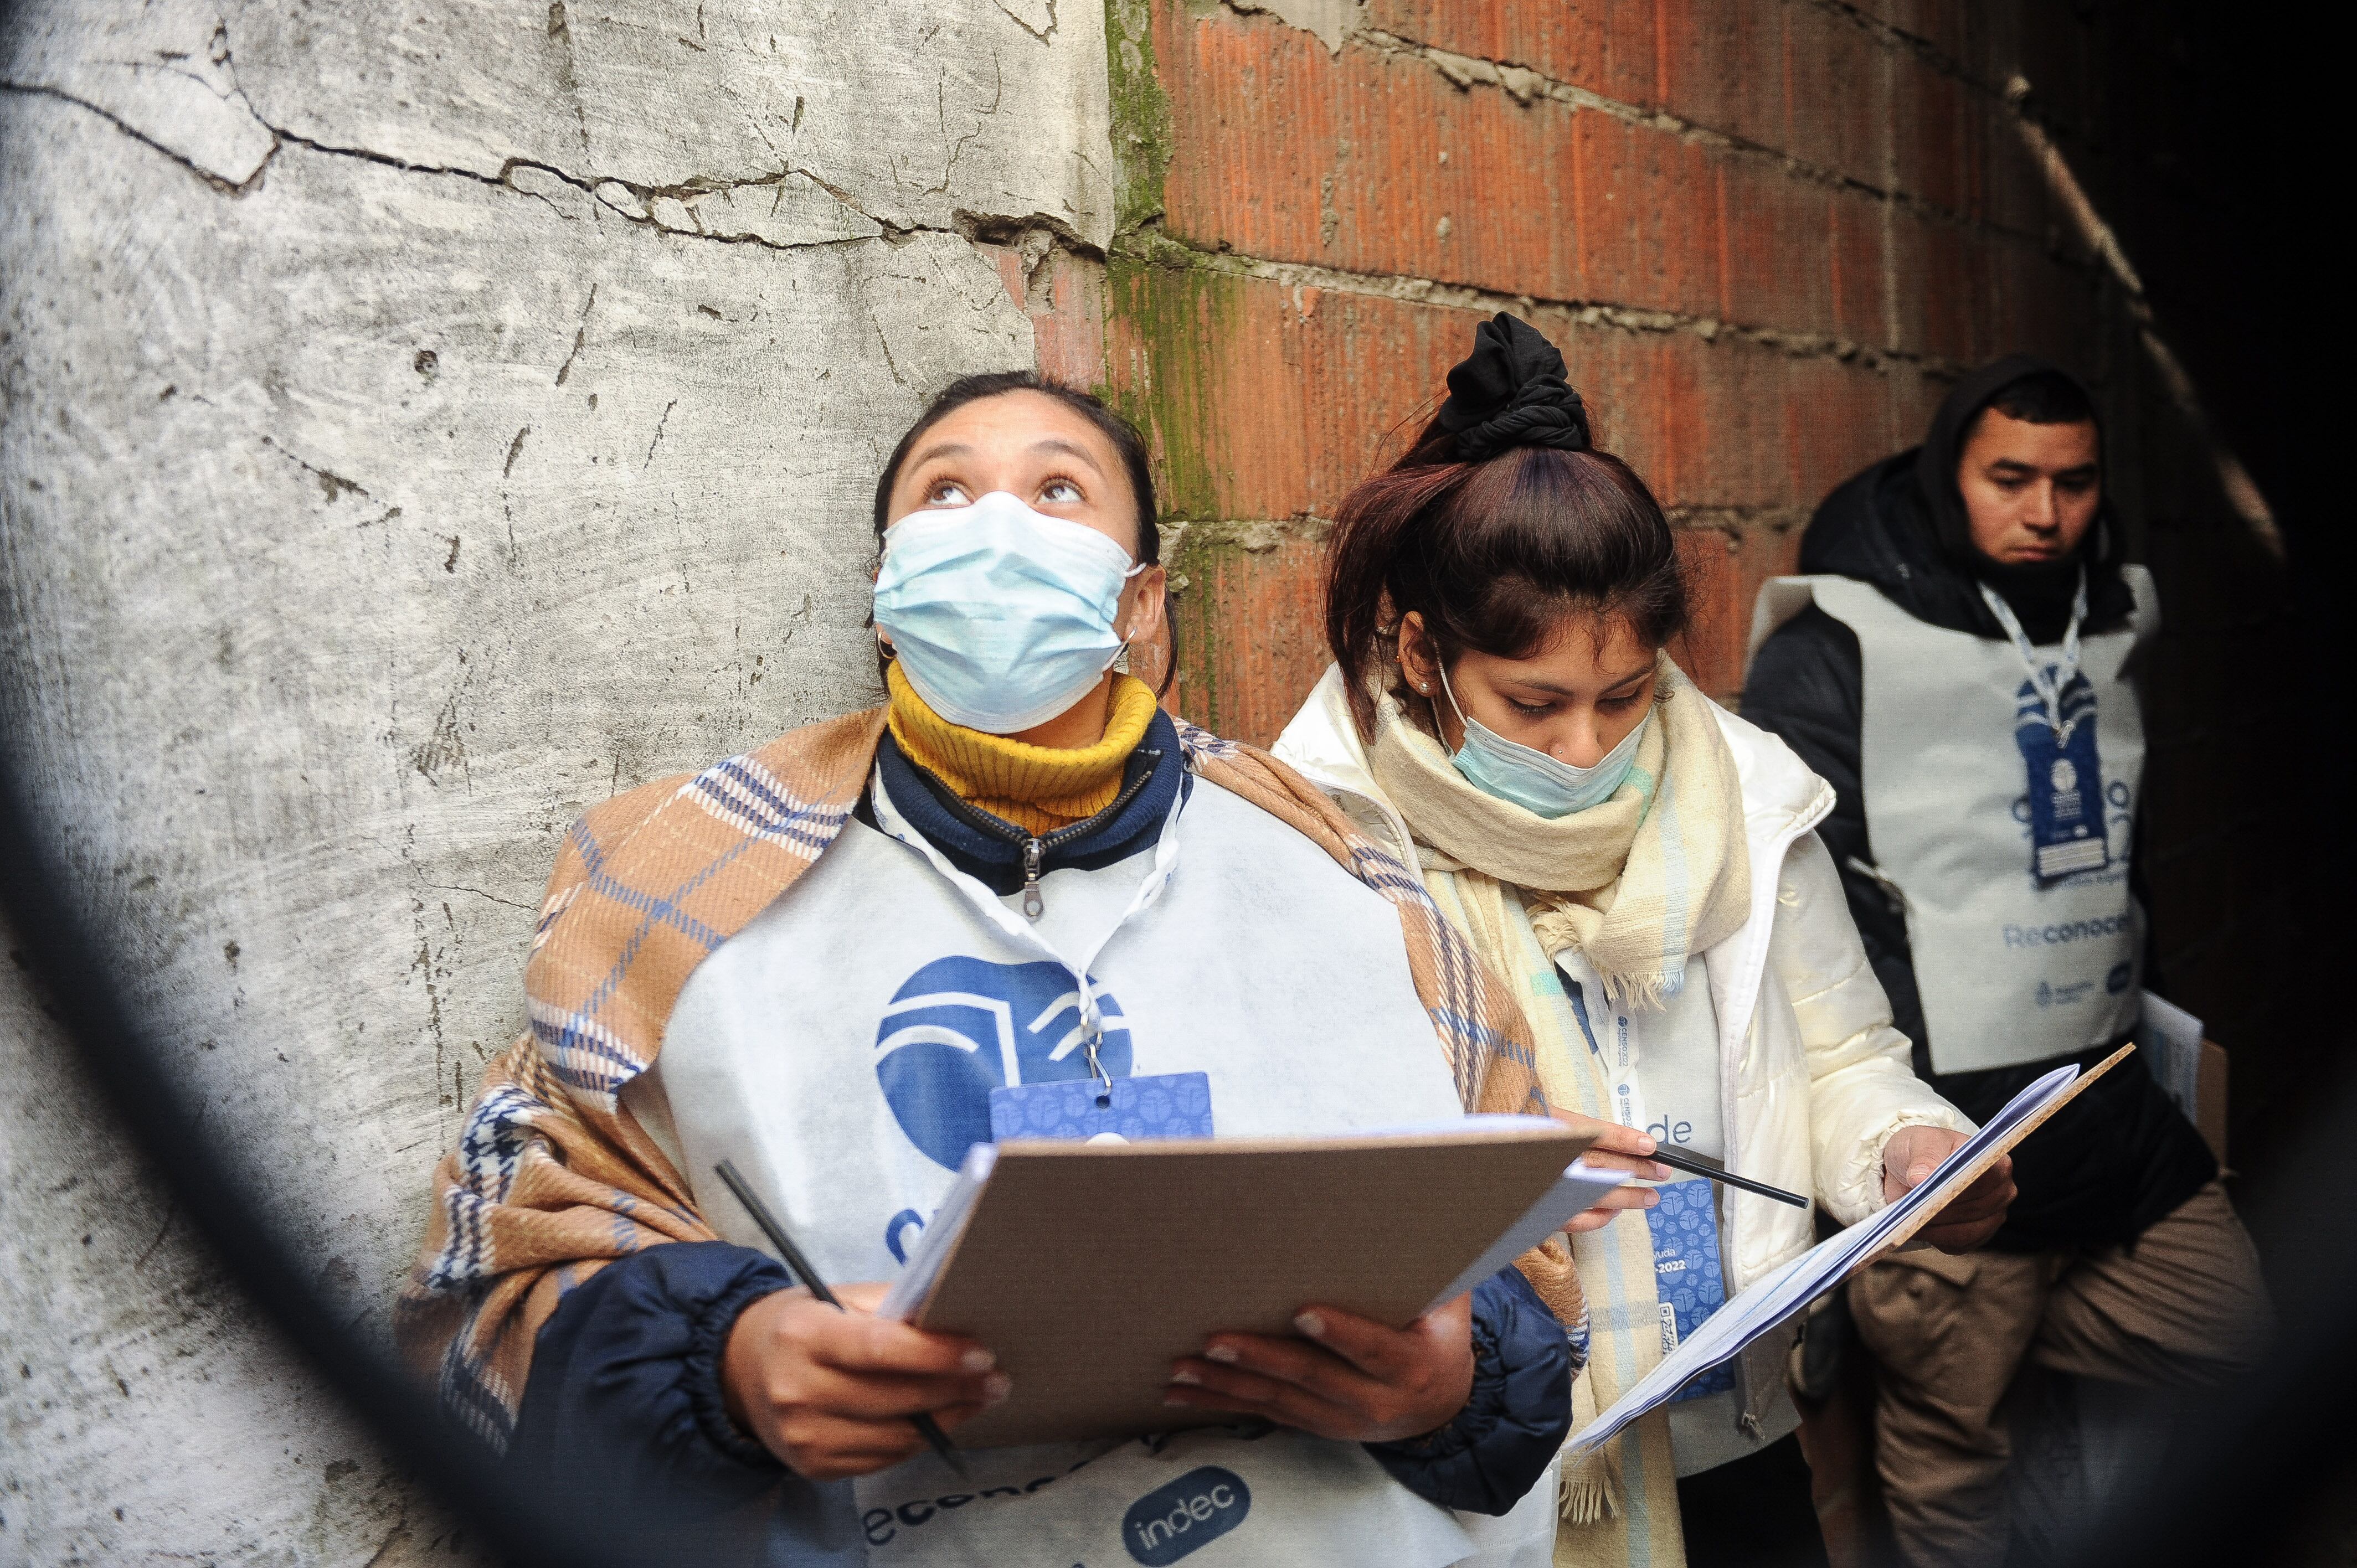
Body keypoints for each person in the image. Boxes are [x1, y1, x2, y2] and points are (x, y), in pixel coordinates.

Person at [395, 370, 1606, 1566]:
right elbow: (501, 1292)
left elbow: (1524, 1274)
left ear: (1140, 602)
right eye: (947, 493)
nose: (997, 526)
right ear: (885, 592)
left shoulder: (1340, 867)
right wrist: (731, 1369)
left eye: (1058, 489)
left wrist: (1448, 1385)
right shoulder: (681, 898)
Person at [1271, 313, 2014, 1568]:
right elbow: (1304, 1156)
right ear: (1419, 653)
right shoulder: (1319, 835)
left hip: (1730, 1423)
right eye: (1532, 704)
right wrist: (1507, 1172)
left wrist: (1904, 1146)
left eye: (1624, 697)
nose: (1585, 748)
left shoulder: (1748, 795)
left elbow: (1839, 1055)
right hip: (1475, 1454)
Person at [1741, 355, 2273, 1566]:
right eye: (2009, 478)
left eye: (2073, 483)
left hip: (2113, 1119)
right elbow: (1807, 906)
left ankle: (2005, 1339)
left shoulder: (2105, 613)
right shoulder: (1839, 640)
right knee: (1951, 1476)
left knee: (2244, 1348)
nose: (2043, 513)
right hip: (1950, 1138)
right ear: (1948, 474)